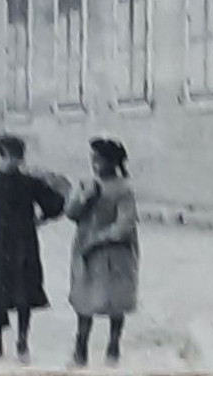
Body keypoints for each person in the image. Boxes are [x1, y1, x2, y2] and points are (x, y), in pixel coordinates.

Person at [0, 134, 66, 361]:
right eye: (3, 156)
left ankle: (22, 340)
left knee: (23, 294)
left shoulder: (30, 184)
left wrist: (41, 218)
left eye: (13, 157)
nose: (7, 161)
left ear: (20, 159)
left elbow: (56, 203)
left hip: (22, 246)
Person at [66, 137, 138, 366]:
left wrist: (98, 239)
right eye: (93, 159)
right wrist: (83, 198)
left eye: (101, 160)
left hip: (114, 253)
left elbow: (125, 225)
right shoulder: (86, 184)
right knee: (84, 299)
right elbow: (71, 213)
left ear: (113, 162)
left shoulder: (124, 189)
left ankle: (114, 345)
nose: (96, 165)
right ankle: (80, 348)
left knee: (115, 299)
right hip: (86, 251)